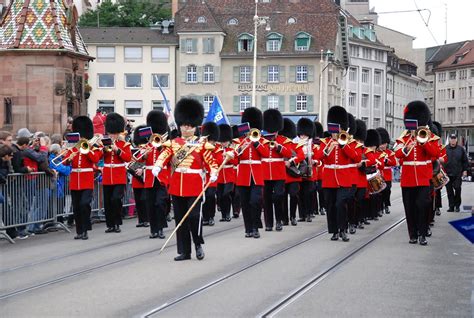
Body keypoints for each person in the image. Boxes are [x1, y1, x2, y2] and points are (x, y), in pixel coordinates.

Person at [153, 98, 218, 261]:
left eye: (189, 125)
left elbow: (211, 161)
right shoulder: (173, 143)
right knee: (180, 220)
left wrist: (214, 172)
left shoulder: (201, 144)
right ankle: (185, 251)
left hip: (195, 186)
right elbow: (165, 155)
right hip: (177, 186)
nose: (186, 127)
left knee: (194, 217)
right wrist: (158, 165)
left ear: (195, 126)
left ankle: (197, 244)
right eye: (183, 124)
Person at [394, 101, 440, 245]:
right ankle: (413, 234)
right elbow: (397, 153)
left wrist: (423, 142)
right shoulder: (403, 137)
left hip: (423, 178)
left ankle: (422, 233)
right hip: (407, 179)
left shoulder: (429, 136)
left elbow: (436, 152)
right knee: (410, 207)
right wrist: (407, 148)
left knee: (422, 205)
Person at [315, 106, 361, 242]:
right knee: (330, 205)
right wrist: (328, 148)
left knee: (340, 204)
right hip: (329, 178)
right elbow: (318, 157)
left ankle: (343, 229)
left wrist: (342, 145)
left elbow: (356, 157)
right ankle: (334, 231)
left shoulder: (349, 142)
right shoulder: (326, 142)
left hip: (344, 178)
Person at [63, 116, 103, 240]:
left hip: (86, 180)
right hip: (75, 181)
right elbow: (64, 162)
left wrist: (87, 149)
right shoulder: (73, 148)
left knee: (84, 204)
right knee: (76, 207)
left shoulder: (92, 147)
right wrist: (68, 159)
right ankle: (79, 231)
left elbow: (95, 159)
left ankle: (85, 229)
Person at [235, 107, 269, 239]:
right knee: (245, 203)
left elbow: (265, 154)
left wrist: (255, 143)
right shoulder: (239, 142)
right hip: (243, 175)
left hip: (256, 175)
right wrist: (242, 147)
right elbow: (235, 159)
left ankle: (256, 227)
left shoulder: (261, 140)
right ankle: (248, 228)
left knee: (255, 201)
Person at [262, 109, 292, 231]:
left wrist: (278, 147)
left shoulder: (284, 140)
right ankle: (269, 223)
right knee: (267, 199)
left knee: (278, 196)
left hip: (279, 173)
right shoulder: (261, 139)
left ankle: (278, 220)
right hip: (265, 172)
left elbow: (289, 153)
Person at [102, 113, 132, 233]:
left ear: (118, 132)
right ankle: (110, 225)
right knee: (108, 202)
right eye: (110, 133)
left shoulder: (124, 144)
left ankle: (117, 223)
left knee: (116, 199)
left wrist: (117, 150)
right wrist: (104, 149)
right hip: (107, 176)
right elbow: (99, 157)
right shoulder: (105, 143)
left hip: (119, 175)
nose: (112, 135)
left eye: (113, 133)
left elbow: (128, 158)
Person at [144, 110, 169, 239]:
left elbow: (170, 158)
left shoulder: (165, 144)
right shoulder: (148, 144)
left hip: (161, 178)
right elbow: (136, 159)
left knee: (160, 203)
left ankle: (160, 228)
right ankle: (153, 229)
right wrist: (145, 154)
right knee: (150, 205)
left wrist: (161, 148)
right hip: (149, 178)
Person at [216, 124, 237, 222]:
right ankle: (223, 215)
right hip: (220, 176)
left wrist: (229, 156)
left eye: (225, 141)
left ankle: (228, 214)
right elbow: (217, 162)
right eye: (222, 141)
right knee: (220, 196)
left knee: (226, 194)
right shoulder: (218, 151)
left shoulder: (232, 150)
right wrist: (222, 156)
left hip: (229, 175)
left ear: (229, 141)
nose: (224, 143)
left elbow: (236, 162)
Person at [444, 134, 469, 212]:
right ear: (450, 140)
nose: (453, 140)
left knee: (457, 188)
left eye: (454, 139)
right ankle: (451, 206)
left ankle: (457, 205)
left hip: (457, 173)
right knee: (449, 191)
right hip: (447, 173)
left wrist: (465, 170)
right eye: (452, 139)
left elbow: (465, 161)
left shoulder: (461, 149)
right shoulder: (445, 149)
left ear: (456, 140)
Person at [201, 122, 220, 226]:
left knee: (211, 196)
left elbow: (218, 161)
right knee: (203, 198)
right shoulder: (202, 146)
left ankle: (211, 216)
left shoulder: (216, 148)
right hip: (203, 177)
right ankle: (205, 217)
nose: (211, 142)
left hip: (211, 176)